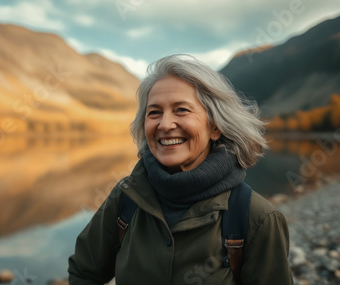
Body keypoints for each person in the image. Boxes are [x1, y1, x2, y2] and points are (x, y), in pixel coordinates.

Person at [68, 54, 293, 284]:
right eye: (154, 112)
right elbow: (84, 273)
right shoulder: (125, 198)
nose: (165, 125)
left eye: (182, 110)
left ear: (215, 126)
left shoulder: (256, 218)